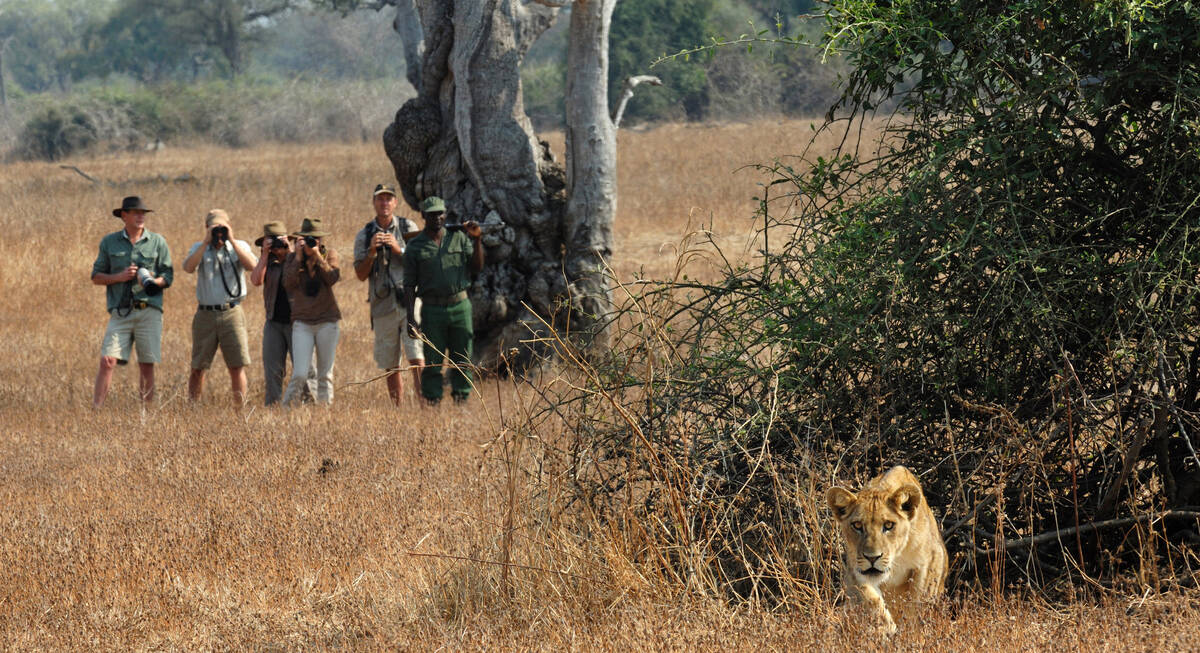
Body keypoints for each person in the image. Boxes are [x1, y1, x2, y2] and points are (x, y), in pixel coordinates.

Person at [91, 195, 173, 408]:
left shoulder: (158, 242)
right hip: (121, 311)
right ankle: (96, 410)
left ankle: (145, 414)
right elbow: (96, 277)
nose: (140, 216)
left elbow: (168, 276)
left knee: (147, 364)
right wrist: (120, 276)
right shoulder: (109, 242)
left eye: (143, 213)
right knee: (107, 361)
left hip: (149, 310)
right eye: (136, 213)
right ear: (124, 216)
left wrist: (153, 281)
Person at [403, 196, 484, 404]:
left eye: (439, 213)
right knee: (432, 360)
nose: (436, 218)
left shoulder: (458, 238)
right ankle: (432, 401)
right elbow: (409, 285)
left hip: (460, 305)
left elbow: (476, 267)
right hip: (432, 308)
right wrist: (411, 317)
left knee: (463, 357)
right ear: (423, 216)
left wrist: (476, 240)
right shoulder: (415, 246)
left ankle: (461, 398)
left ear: (445, 214)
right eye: (431, 214)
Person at [353, 183, 425, 405]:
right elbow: (360, 274)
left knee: (417, 356)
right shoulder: (365, 235)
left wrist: (398, 248)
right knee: (390, 361)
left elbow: (421, 263)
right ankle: (397, 407)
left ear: (395, 202)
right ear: (374, 203)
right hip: (382, 303)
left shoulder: (407, 226)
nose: (384, 203)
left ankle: (425, 405)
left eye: (388, 199)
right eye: (380, 199)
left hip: (409, 300)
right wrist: (372, 252)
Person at [181, 209, 257, 405]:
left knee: (236, 365)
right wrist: (207, 242)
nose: (219, 234)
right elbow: (188, 267)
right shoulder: (199, 247)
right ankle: (192, 409)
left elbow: (252, 266)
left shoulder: (239, 246)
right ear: (207, 228)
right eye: (215, 229)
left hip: (232, 312)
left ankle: (241, 412)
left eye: (223, 228)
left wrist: (231, 240)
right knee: (198, 367)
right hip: (205, 314)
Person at [250, 221, 315, 405]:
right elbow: (255, 280)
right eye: (273, 242)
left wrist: (294, 252)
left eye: (281, 241)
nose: (278, 247)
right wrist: (264, 254)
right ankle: (273, 407)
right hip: (273, 322)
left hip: (298, 323)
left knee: (304, 369)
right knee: (273, 370)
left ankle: (311, 407)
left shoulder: (297, 258)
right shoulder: (268, 262)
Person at [282, 218, 342, 405]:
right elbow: (288, 283)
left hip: (327, 321)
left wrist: (317, 256)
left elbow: (332, 278)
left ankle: (324, 414)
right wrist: (299, 257)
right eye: (308, 239)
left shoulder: (329, 254)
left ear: (321, 240)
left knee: (325, 374)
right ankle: (286, 409)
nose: (312, 242)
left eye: (315, 239)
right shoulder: (293, 258)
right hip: (303, 322)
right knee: (300, 373)